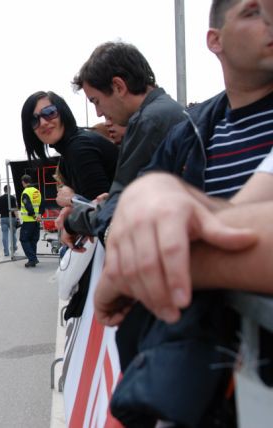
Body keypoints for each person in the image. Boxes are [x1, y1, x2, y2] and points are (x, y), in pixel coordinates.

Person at [92, 2, 273, 425]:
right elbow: (126, 215)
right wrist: (151, 199)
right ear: (215, 40)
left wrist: (144, 257)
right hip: (198, 383)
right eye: (252, 11)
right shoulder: (190, 131)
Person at [61, 41, 186, 247]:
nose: (99, 113)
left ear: (118, 86)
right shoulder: (167, 111)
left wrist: (71, 221)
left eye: (96, 101)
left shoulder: (148, 122)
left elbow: (119, 211)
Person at [21, 91, 118, 202]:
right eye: (34, 120)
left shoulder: (80, 148)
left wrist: (73, 200)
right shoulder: (67, 155)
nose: (43, 122)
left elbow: (103, 211)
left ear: (63, 112)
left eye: (49, 112)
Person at [19, 175, 44, 267]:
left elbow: (27, 205)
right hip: (36, 221)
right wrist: (39, 215)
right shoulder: (37, 191)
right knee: (33, 240)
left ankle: (32, 259)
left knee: (23, 239)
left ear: (23, 182)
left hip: (28, 220)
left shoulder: (26, 192)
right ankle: (32, 260)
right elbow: (42, 205)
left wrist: (33, 215)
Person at [0, 185, 19, 257]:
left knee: (4, 235)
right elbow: (15, 209)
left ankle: (6, 252)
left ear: (4, 190)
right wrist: (18, 218)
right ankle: (14, 248)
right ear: (10, 190)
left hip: (3, 218)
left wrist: (3, 213)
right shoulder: (12, 198)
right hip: (12, 218)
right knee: (13, 234)